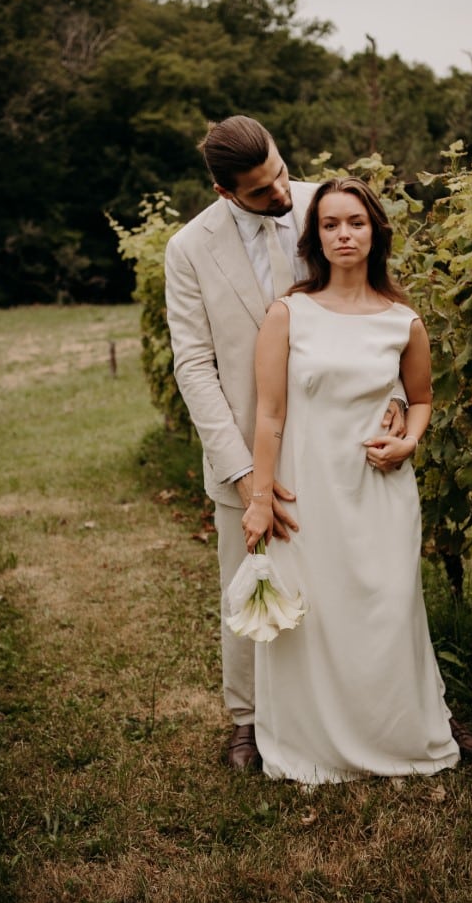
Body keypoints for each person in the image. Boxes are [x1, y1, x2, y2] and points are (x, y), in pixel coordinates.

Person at [164, 117, 405, 770]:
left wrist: (397, 405)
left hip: (342, 440)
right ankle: (247, 719)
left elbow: (380, 309)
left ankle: (367, 707)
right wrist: (247, 477)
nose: (280, 193)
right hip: (249, 445)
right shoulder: (188, 250)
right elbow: (194, 366)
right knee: (250, 582)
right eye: (261, 190)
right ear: (222, 191)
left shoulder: (327, 210)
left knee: (353, 578)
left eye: (278, 171)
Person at [241, 176, 462, 783]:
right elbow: (270, 413)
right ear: (314, 237)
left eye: (356, 223)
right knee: (317, 616)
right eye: (331, 224)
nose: (344, 234)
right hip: (307, 493)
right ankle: (313, 745)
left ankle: (392, 735)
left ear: (375, 232)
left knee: (383, 612)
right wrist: (260, 498)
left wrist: (409, 441)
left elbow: (421, 398)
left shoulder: (403, 321)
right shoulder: (289, 313)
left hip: (379, 493)